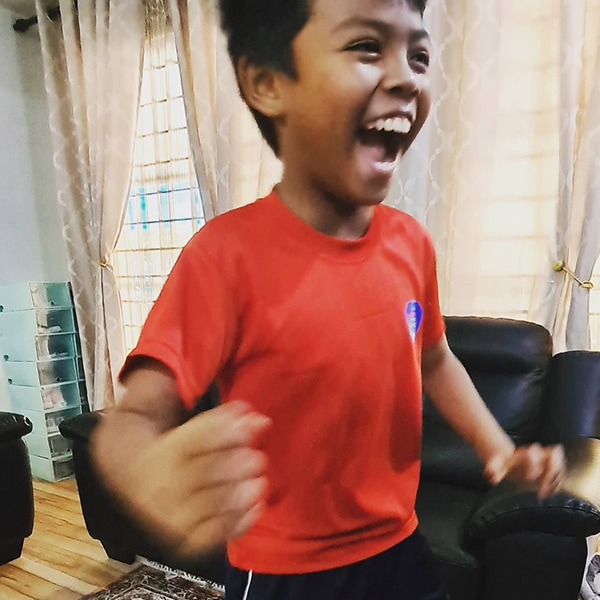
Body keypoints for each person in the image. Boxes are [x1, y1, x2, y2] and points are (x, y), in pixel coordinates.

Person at [92, 0, 566, 598]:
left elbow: (435, 358)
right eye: (365, 46)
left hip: (400, 545)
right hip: (286, 571)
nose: (405, 77)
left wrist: (499, 451)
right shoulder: (224, 256)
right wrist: (145, 472)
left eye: (418, 54)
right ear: (268, 83)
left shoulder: (410, 244)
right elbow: (131, 419)